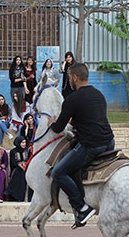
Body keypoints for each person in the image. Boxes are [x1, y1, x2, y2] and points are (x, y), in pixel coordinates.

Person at [49, 63, 115, 228]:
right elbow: (91, 118)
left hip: (91, 145)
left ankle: (81, 207)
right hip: (109, 142)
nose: (70, 80)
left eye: (70, 77)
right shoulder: (99, 95)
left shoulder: (72, 100)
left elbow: (58, 128)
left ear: (75, 77)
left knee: (58, 172)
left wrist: (52, 122)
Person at [6, 136, 31, 202]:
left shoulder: (27, 150)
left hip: (26, 168)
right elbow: (13, 163)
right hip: (17, 168)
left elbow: (29, 159)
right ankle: (15, 196)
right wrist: (19, 165)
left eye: (25, 142)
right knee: (18, 174)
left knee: (24, 175)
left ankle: (23, 197)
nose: (24, 144)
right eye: (22, 142)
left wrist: (25, 164)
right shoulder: (13, 151)